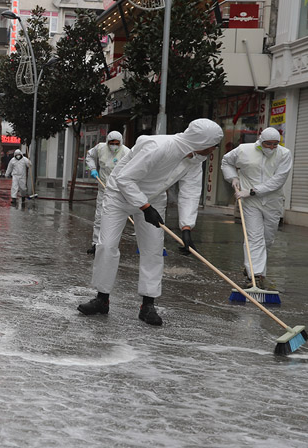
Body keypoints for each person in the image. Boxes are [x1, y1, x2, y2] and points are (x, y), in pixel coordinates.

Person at [78, 118, 224, 326]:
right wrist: (144, 207)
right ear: (201, 142)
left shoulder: (196, 157)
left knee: (153, 250)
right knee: (107, 245)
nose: (214, 150)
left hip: (154, 197)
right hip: (119, 195)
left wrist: (186, 227)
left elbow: (190, 190)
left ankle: (148, 305)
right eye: (213, 146)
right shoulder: (158, 147)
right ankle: (102, 299)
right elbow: (125, 179)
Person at [221, 127, 292, 289]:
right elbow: (226, 161)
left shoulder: (284, 154)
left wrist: (252, 191)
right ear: (260, 141)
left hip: (272, 201)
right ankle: (256, 275)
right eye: (268, 144)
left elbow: (279, 180)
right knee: (254, 237)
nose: (272, 148)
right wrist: (233, 177)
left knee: (267, 239)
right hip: (250, 203)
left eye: (275, 144)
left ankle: (251, 268)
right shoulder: (243, 150)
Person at [85, 131, 131, 254]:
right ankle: (96, 243)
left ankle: (110, 244)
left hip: (118, 191)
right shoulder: (100, 148)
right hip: (103, 188)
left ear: (120, 143)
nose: (114, 146)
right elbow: (89, 156)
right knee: (99, 216)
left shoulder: (126, 152)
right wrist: (93, 168)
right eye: (112, 143)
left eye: (117, 143)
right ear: (107, 142)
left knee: (116, 219)